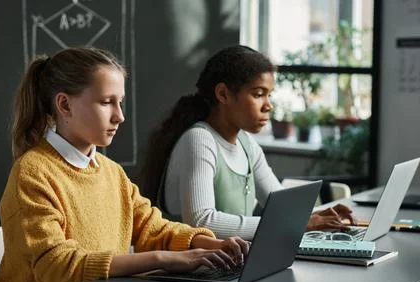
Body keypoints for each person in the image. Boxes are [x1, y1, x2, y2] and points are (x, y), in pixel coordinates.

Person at [0, 47, 250, 282]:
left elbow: (153, 230)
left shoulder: (110, 172)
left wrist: (208, 243)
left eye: (120, 102)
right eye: (106, 102)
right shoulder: (32, 173)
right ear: (64, 104)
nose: (120, 116)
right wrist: (163, 259)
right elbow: (55, 266)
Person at [140, 45, 356, 241]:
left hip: (229, 266)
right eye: (258, 94)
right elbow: (201, 221)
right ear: (223, 94)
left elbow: (279, 207)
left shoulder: (246, 143)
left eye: (269, 95)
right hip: (191, 276)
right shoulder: (199, 140)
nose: (268, 106)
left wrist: (317, 217)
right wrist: (297, 223)